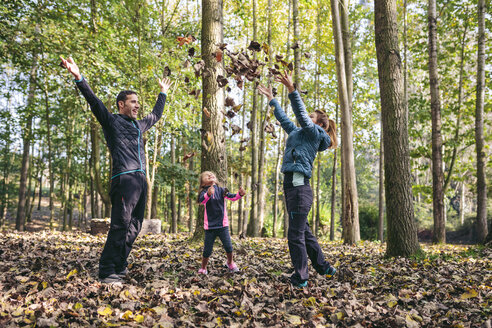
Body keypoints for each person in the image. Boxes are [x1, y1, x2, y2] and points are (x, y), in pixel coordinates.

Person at [60, 56, 172, 283]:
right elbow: (94, 102)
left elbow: (156, 115)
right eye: (133, 102)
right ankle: (107, 270)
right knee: (121, 226)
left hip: (141, 181)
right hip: (124, 179)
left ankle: (120, 264)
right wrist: (78, 77)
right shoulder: (111, 121)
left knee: (136, 226)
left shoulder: (139, 125)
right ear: (121, 105)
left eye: (138, 102)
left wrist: (163, 93)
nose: (137, 105)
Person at [257, 71, 338, 288]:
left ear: (319, 125)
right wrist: (271, 99)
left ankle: (301, 277)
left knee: (295, 235)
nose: (307, 118)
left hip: (299, 186)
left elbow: (301, 115)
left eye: (312, 117)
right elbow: (285, 119)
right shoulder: (300, 133)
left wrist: (292, 89)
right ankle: (325, 268)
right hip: (294, 186)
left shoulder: (314, 134)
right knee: (303, 231)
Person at [197, 171, 245, 275]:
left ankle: (230, 262)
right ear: (202, 183)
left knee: (228, 246)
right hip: (210, 227)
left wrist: (239, 194)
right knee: (207, 250)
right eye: (207, 175)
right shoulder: (203, 192)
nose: (210, 175)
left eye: (212, 174)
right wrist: (208, 194)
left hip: (223, 225)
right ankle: (203, 267)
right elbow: (202, 201)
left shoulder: (222, 190)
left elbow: (232, 197)